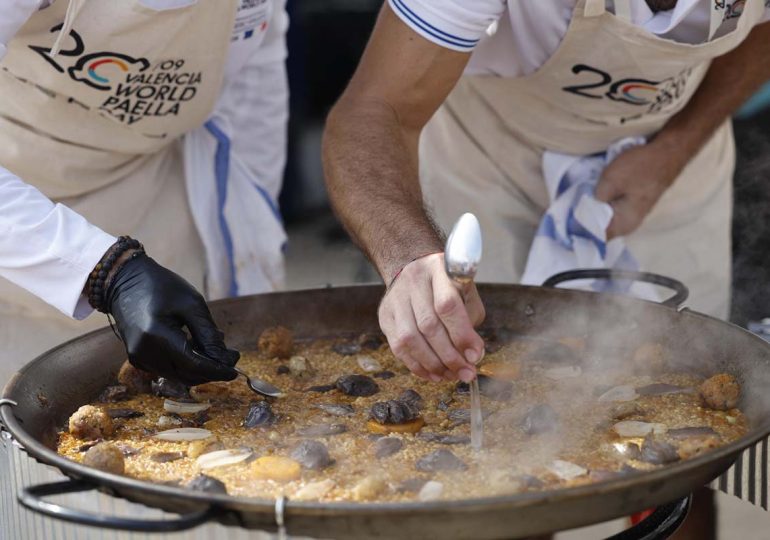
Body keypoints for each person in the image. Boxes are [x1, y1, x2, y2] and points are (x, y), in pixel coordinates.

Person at [323, 0, 770, 383]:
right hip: (491, 161)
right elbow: (375, 109)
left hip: (675, 152)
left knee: (690, 378)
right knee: (478, 378)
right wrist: (410, 258)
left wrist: (675, 150)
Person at [0, 0, 289, 386]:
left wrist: (249, 239)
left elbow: (252, 84)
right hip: (17, 207)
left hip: (149, 192)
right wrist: (104, 269)